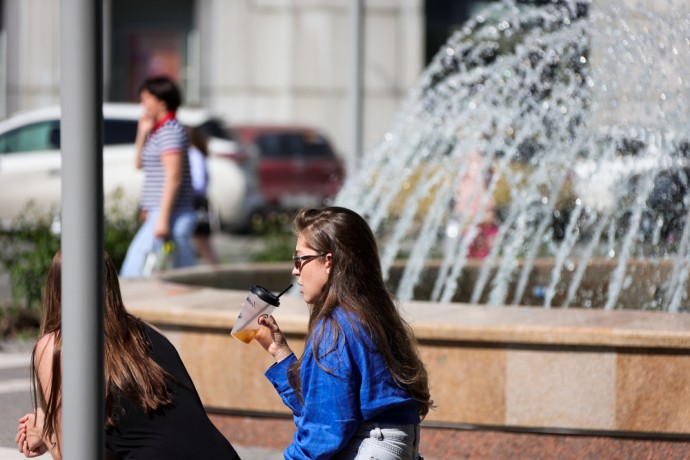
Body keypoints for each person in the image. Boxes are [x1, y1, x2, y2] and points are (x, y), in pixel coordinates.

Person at [15, 251, 240, 460]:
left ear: (55, 289)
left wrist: (45, 429)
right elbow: (128, 443)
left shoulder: (56, 345)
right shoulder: (149, 332)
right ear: (110, 283)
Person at [254, 206, 433, 459]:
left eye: (300, 259)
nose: (295, 270)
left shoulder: (335, 328)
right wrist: (280, 352)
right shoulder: (371, 315)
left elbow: (324, 429)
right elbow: (322, 406)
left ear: (328, 261)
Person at [120, 75, 197, 278]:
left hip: (172, 214)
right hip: (162, 213)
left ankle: (122, 306)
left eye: (146, 99)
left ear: (161, 102)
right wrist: (142, 133)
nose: (142, 104)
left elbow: (174, 177)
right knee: (181, 272)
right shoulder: (159, 131)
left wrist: (162, 218)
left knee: (135, 267)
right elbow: (139, 164)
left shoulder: (169, 131)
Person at [187, 125, 218, 265]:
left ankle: (215, 271)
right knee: (200, 241)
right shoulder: (196, 154)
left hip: (196, 203)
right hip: (198, 202)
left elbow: (198, 183)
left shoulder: (194, 155)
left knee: (202, 241)